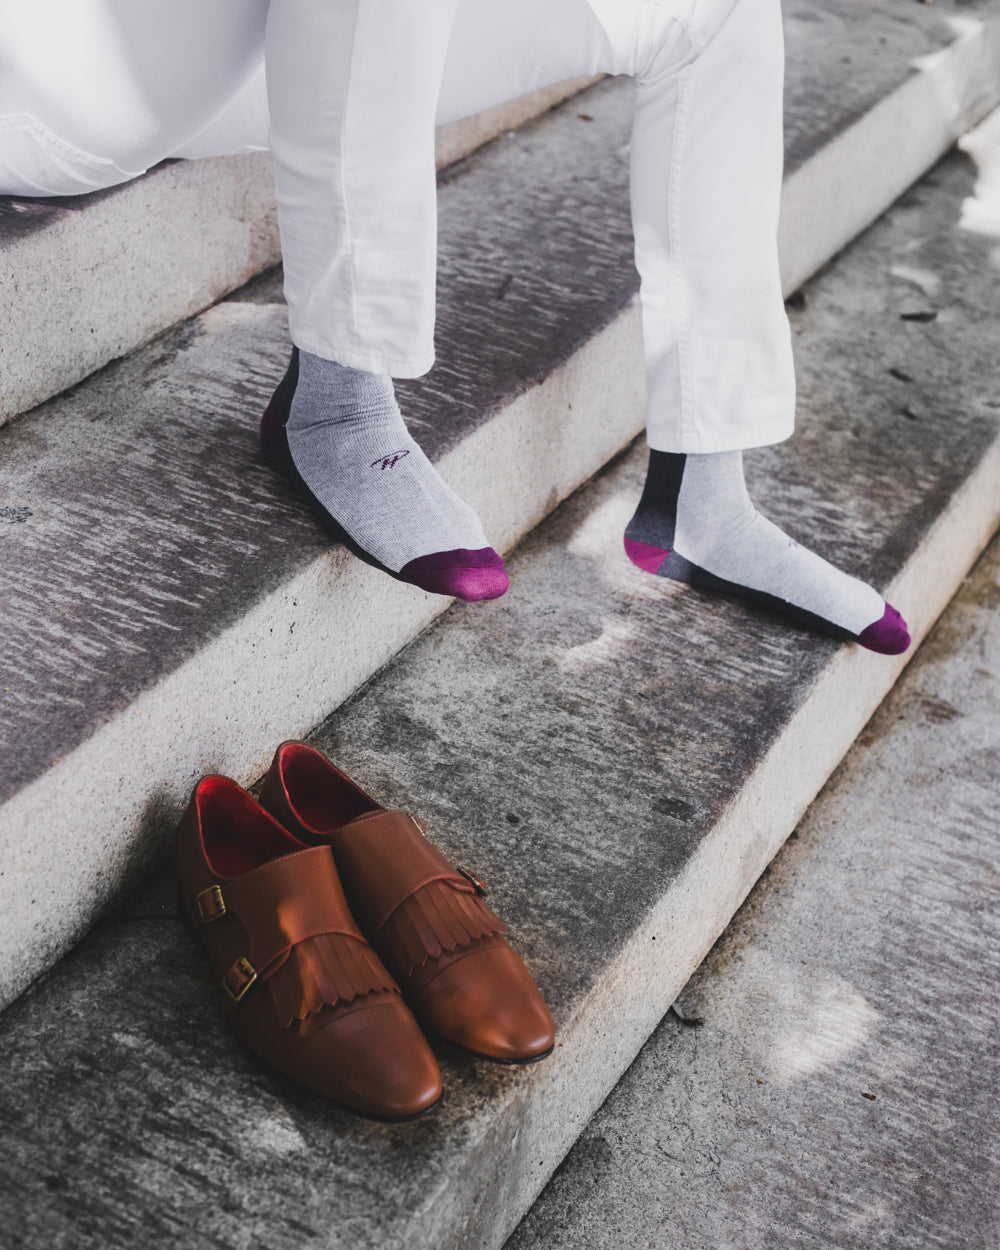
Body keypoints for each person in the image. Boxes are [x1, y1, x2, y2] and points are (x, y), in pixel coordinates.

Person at [0, 0, 910, 651]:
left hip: (253, 43)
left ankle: (704, 500)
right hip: (56, 76)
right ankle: (338, 400)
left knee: (705, 11)